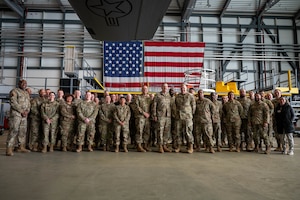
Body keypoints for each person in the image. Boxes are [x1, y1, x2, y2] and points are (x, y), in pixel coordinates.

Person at [6, 79, 31, 156]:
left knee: (22, 131)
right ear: (19, 84)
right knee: (14, 130)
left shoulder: (26, 93)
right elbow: (13, 102)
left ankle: (20, 147)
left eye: (25, 83)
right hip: (16, 114)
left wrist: (27, 111)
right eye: (22, 83)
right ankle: (9, 148)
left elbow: (28, 103)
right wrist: (21, 111)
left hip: (24, 115)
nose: (24, 84)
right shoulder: (14, 91)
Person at [173, 84, 196, 153]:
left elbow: (193, 106)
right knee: (178, 132)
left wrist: (190, 114)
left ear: (186, 89)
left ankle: (190, 146)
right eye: (182, 88)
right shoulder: (177, 96)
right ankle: (178, 146)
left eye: (184, 88)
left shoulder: (190, 96)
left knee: (188, 132)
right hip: (179, 117)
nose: (183, 89)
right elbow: (175, 106)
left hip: (187, 117)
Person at [152, 83, 173, 153]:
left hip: (168, 116)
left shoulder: (169, 95)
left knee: (166, 131)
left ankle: (164, 145)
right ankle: (160, 146)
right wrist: (154, 115)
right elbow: (154, 106)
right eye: (164, 86)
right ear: (161, 87)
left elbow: (172, 105)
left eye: (166, 87)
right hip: (160, 115)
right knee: (160, 131)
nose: (165, 88)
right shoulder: (157, 95)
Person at [194, 89, 215, 153]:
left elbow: (213, 109)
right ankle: (198, 147)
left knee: (208, 135)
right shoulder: (196, 102)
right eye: (199, 93)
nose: (200, 94)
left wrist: (210, 116)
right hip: (198, 121)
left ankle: (210, 147)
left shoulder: (207, 101)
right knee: (197, 135)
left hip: (206, 121)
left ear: (203, 94)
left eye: (201, 93)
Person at [135, 86, 152, 152]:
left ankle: (145, 145)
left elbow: (152, 106)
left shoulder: (149, 98)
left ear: (147, 90)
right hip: (140, 117)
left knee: (147, 131)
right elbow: (136, 107)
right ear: (141, 90)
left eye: (146, 89)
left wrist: (150, 114)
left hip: (148, 117)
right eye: (143, 89)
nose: (145, 90)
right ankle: (139, 145)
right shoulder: (138, 98)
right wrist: (144, 113)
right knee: (139, 131)